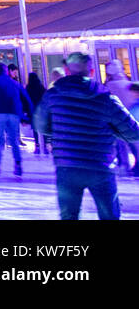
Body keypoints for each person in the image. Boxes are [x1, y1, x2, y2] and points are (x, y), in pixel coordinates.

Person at [34, 52, 139, 220]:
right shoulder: (105, 98)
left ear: (66, 71)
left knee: (69, 216)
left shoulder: (52, 96)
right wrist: (112, 130)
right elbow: (134, 132)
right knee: (109, 215)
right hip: (100, 166)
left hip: (67, 165)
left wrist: (61, 129)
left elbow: (40, 125)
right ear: (91, 72)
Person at [103, 59, 139, 174]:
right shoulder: (127, 82)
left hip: (117, 118)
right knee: (133, 143)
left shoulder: (109, 85)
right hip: (131, 115)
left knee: (120, 144)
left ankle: (124, 165)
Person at [26, 71, 48, 154]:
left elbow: (26, 100)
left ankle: (37, 146)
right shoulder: (41, 86)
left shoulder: (28, 87)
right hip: (41, 110)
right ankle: (45, 146)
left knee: (35, 130)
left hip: (33, 110)